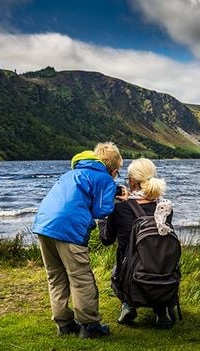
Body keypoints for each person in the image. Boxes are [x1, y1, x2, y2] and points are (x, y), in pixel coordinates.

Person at [32, 142, 123, 339]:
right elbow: (101, 211)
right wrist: (114, 197)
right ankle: (90, 326)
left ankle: (64, 324)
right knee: (81, 278)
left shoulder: (71, 174)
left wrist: (109, 193)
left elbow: (81, 195)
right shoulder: (106, 179)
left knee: (56, 277)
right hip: (69, 230)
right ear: (114, 170)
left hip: (44, 226)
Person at [99, 158, 176, 328]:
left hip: (131, 276)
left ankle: (128, 304)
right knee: (155, 259)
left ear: (132, 182)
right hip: (163, 273)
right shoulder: (165, 207)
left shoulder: (120, 208)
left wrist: (104, 217)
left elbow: (106, 239)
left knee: (117, 270)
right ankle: (160, 309)